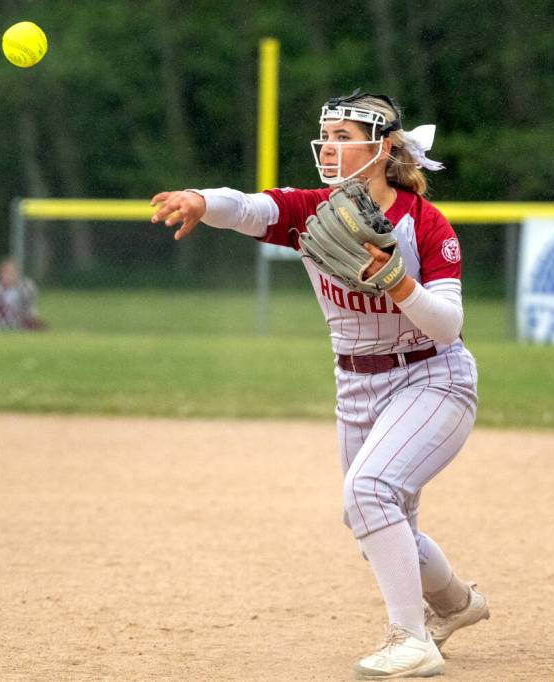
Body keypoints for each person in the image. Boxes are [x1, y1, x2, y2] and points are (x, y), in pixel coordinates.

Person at [150, 92, 488, 678]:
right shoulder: (312, 210)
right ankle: (457, 604)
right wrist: (201, 201)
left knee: (368, 492)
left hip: (434, 376)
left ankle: (410, 640)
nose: (329, 147)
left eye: (344, 135)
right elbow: (249, 207)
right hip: (356, 385)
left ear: (382, 149)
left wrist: (396, 281)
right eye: (326, 135)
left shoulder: (424, 224)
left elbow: (449, 323)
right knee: (378, 525)